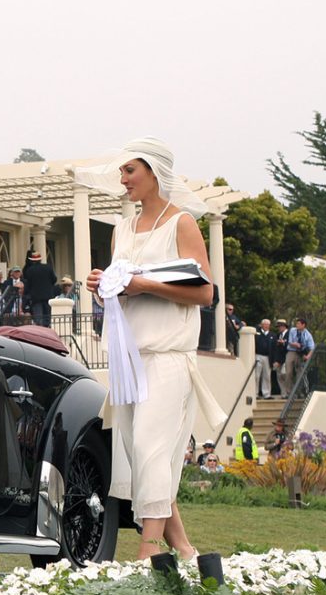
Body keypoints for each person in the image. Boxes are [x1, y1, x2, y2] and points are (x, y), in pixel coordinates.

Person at [80, 137, 225, 562]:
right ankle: (185, 551)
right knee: (137, 453)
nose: (123, 179)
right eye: (122, 172)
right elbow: (123, 293)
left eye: (130, 171)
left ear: (154, 171)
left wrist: (143, 284)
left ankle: (147, 553)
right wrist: (103, 286)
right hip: (128, 360)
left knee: (150, 449)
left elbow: (205, 293)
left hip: (167, 358)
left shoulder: (181, 223)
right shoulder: (121, 229)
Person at [278, 316, 316, 398]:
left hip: (301, 354)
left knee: (300, 374)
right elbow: (290, 342)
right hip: (292, 351)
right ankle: (289, 392)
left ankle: (298, 392)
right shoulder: (293, 330)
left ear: (303, 325)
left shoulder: (308, 335)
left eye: (298, 324)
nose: (297, 325)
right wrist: (296, 344)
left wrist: (308, 356)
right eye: (296, 323)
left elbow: (312, 347)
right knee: (288, 372)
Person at [22, 249, 58, 327]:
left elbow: (28, 284)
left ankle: (41, 330)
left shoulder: (30, 270)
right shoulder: (48, 267)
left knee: (38, 319)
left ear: (32, 260)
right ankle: (47, 329)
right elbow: (54, 280)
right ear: (40, 259)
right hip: (48, 296)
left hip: (36, 298)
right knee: (47, 317)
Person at [253, 318, 276, 398]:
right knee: (257, 375)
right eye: (265, 324)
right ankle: (255, 393)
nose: (266, 326)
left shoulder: (273, 335)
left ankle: (266, 394)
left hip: (268, 357)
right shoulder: (257, 333)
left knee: (267, 376)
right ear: (262, 325)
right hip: (258, 355)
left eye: (268, 324)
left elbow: (274, 349)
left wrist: (274, 360)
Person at [269, 319, 289, 400]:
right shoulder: (277, 336)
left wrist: (284, 343)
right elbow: (275, 349)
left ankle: (289, 392)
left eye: (280, 326)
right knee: (279, 376)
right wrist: (275, 360)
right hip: (278, 359)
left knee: (285, 374)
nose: (279, 328)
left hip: (286, 358)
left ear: (284, 326)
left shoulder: (289, 334)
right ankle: (283, 393)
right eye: (278, 327)